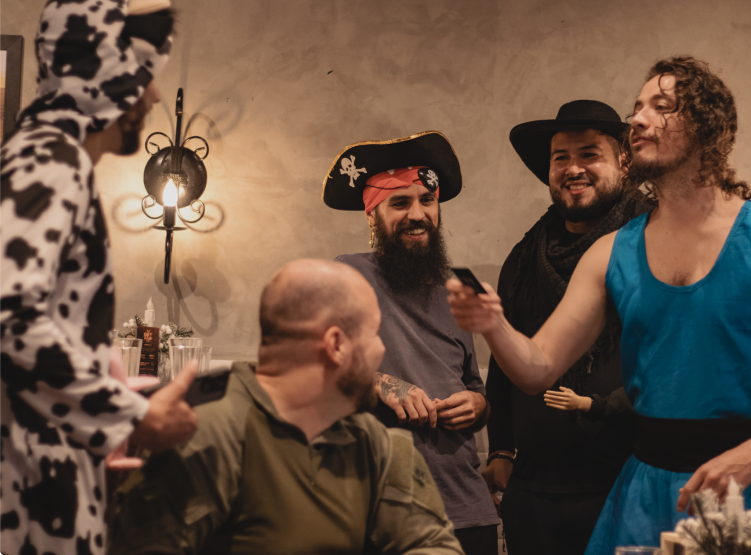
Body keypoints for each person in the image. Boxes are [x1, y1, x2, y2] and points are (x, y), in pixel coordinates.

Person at [447, 56, 751, 552]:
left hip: (746, 494)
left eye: (660, 106)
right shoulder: (611, 253)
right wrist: (493, 325)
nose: (638, 119)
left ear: (707, 128)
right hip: (642, 497)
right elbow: (538, 368)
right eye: (636, 107)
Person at [0, 0, 198, 555]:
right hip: (29, 506)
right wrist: (127, 417)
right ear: (106, 74)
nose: (155, 93)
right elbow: (8, 313)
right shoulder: (49, 158)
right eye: (145, 75)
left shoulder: (48, 157)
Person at [107, 259, 463, 555]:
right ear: (336, 344)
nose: (380, 352)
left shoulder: (375, 443)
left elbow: (432, 544)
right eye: (373, 334)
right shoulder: (205, 429)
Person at [322, 131, 499, 554]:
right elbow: (313, 371)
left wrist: (479, 405)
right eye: (399, 203)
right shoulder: (345, 276)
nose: (417, 214)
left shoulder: (461, 285)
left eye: (427, 200)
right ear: (371, 214)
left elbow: (475, 387)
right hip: (381, 509)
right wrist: (382, 383)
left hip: (467, 508)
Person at [484, 101, 648, 554]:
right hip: (536, 492)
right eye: (561, 158)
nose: (573, 168)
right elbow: (505, 357)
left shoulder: (653, 245)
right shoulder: (524, 256)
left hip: (629, 482)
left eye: (590, 154)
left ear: (624, 161)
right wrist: (500, 448)